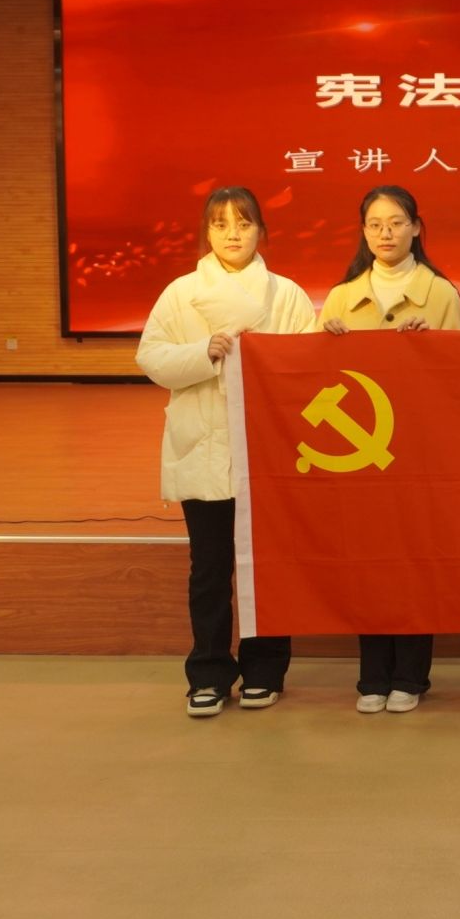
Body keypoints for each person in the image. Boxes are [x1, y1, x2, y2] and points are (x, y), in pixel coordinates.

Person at [136, 185, 318, 718]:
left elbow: (307, 366)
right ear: (207, 232)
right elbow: (151, 357)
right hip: (205, 446)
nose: (233, 234)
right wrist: (204, 352)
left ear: (262, 230)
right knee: (210, 569)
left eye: (243, 223)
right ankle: (209, 672)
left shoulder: (286, 295)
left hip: (267, 452)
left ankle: (265, 669)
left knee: (267, 567)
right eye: (221, 224)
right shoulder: (181, 293)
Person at [319, 185, 460, 715]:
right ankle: (372, 676)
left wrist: (433, 346)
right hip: (362, 455)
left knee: (414, 560)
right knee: (368, 562)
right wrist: (323, 340)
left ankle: (411, 675)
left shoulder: (441, 294)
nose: (386, 233)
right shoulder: (340, 298)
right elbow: (317, 380)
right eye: (375, 224)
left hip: (419, 452)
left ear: (417, 228)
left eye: (397, 222)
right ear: (363, 231)